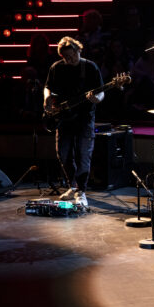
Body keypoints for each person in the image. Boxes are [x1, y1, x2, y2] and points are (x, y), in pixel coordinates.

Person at [43, 37, 104, 208]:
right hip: (63, 118)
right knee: (63, 153)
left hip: (84, 118)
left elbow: (101, 92)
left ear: (79, 50)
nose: (69, 60)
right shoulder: (56, 68)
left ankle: (81, 192)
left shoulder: (90, 67)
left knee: (83, 154)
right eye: (65, 58)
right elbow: (48, 86)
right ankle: (72, 186)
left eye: (71, 56)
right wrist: (47, 98)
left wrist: (96, 99)